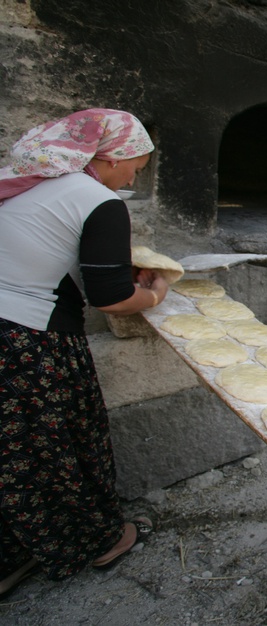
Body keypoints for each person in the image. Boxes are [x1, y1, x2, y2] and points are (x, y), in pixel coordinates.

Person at [0, 108, 167, 598]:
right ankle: (96, 541)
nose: (135, 175)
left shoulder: (21, 179)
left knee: (11, 458)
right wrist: (156, 294)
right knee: (54, 447)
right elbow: (111, 297)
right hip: (27, 342)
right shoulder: (99, 200)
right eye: (136, 164)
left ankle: (16, 553)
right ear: (109, 158)